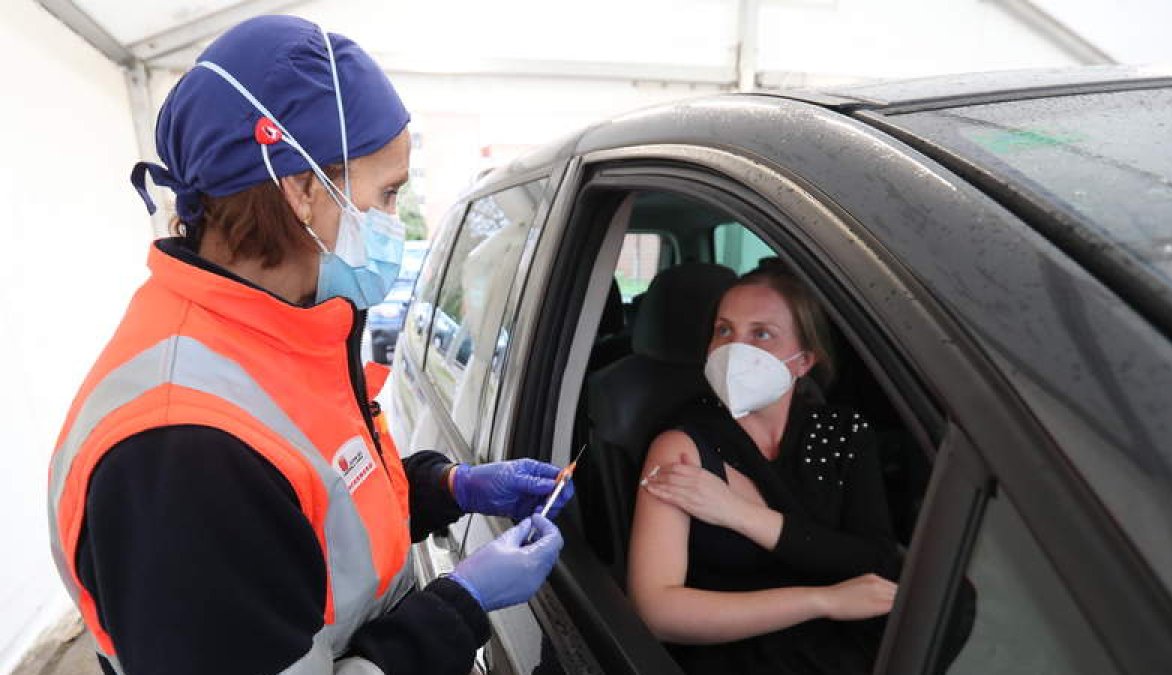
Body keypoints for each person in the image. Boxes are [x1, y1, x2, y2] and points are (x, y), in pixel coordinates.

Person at [46, 16, 572, 675]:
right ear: (300, 189)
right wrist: (460, 606)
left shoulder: (286, 328)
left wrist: (447, 487)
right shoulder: (181, 453)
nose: (392, 223)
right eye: (386, 194)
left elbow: (321, 509)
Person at [627, 260, 901, 674]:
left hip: (841, 649)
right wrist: (820, 601)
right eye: (725, 331)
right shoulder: (681, 446)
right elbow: (658, 611)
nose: (737, 350)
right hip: (734, 655)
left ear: (804, 360)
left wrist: (738, 514)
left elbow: (875, 562)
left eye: (762, 334)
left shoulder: (844, 432)